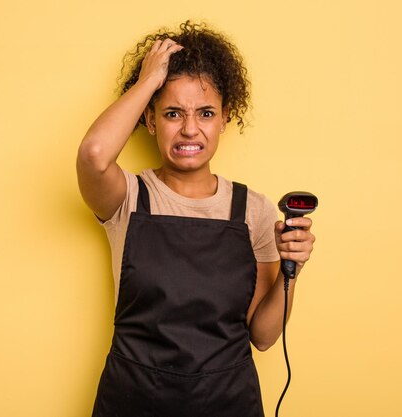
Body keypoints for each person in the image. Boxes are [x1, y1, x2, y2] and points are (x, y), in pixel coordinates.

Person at [77, 21, 315, 417]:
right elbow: (94, 154)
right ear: (150, 121)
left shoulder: (252, 209)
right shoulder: (129, 197)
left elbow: (265, 335)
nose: (190, 128)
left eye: (206, 113)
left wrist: (295, 269)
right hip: (133, 401)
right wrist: (149, 80)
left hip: (227, 402)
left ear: (224, 119)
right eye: (172, 113)